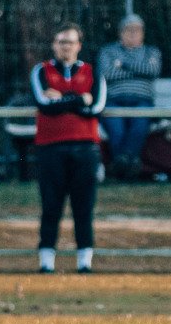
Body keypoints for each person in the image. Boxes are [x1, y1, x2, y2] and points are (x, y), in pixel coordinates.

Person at [32, 23, 106, 274]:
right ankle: (46, 262)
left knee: (83, 206)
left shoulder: (92, 72)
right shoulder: (41, 71)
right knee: (51, 205)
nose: (66, 47)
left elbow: (96, 108)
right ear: (54, 45)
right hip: (50, 147)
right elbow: (44, 105)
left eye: (71, 42)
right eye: (62, 42)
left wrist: (62, 99)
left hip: (85, 147)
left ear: (79, 46)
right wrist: (78, 99)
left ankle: (85, 261)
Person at [96, 14, 161, 175]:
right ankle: (130, 164)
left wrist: (124, 65)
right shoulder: (108, 51)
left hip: (142, 101)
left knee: (139, 125)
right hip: (113, 100)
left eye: (137, 29)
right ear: (121, 32)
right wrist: (138, 71)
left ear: (143, 33)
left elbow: (152, 70)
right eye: (128, 29)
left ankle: (122, 164)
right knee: (116, 129)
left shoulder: (151, 52)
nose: (133, 33)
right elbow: (106, 73)